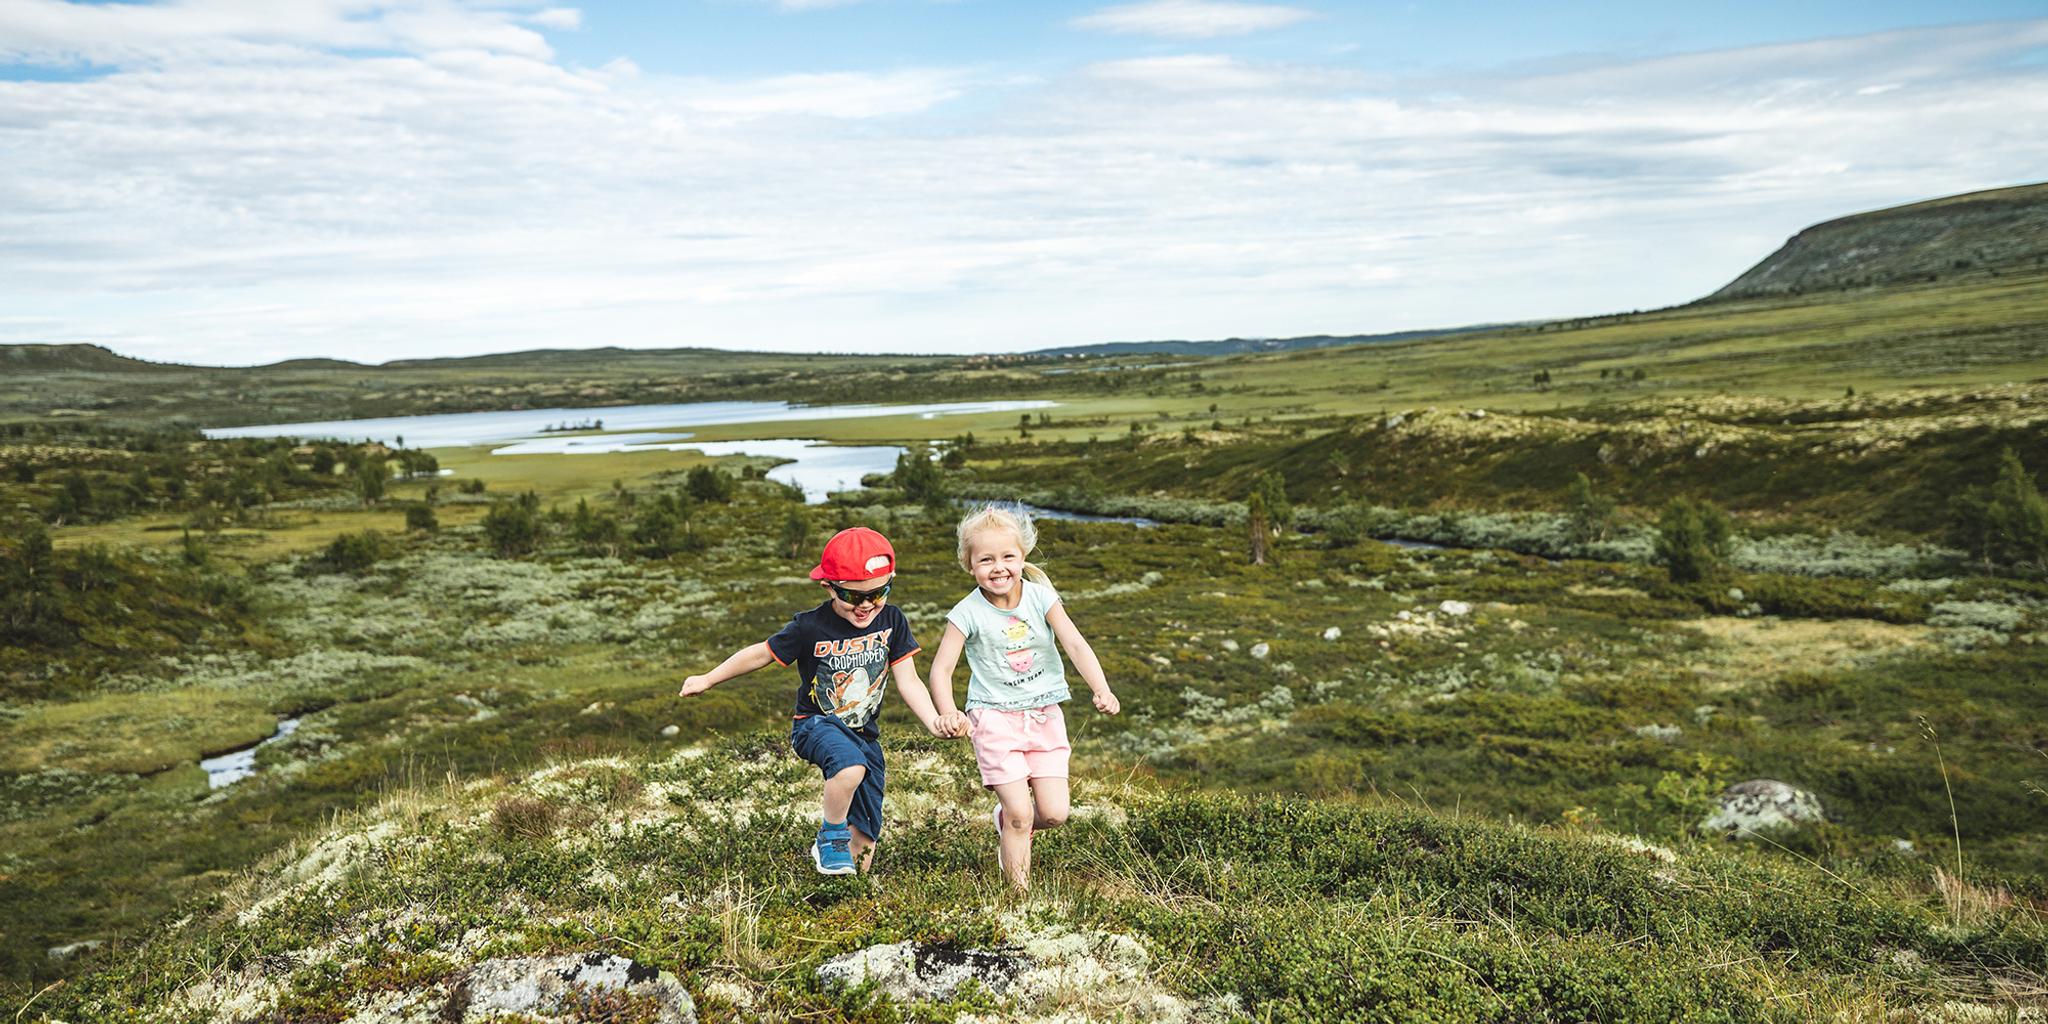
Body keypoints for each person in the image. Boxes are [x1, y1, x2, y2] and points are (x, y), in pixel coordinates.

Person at [678, 526, 958, 876]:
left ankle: (846, 889)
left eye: (878, 592)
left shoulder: (892, 621)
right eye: (853, 597)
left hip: (864, 734)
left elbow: (909, 679)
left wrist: (933, 721)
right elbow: (760, 655)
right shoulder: (809, 626)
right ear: (829, 587)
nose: (867, 605)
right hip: (815, 725)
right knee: (849, 767)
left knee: (868, 831)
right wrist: (708, 678)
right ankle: (830, 836)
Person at [926, 505, 1119, 888]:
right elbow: (940, 669)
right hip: (994, 720)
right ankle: (1018, 898)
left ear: (1022, 556)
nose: (998, 567)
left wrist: (1102, 688)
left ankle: (1004, 822)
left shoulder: (1041, 598)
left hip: (1045, 716)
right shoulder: (965, 613)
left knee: (1054, 813)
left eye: (1007, 557)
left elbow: (1076, 645)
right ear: (970, 565)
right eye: (986, 560)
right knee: (1021, 814)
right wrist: (948, 712)